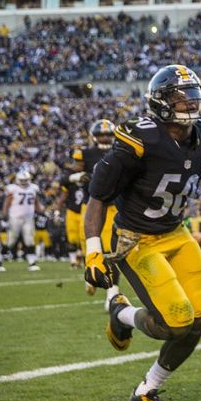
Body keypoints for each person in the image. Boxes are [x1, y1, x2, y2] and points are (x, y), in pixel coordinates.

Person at [82, 64, 201, 401]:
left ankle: (147, 391)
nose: (190, 104)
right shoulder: (139, 139)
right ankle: (122, 314)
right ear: (161, 103)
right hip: (137, 239)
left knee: (200, 320)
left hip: (176, 233)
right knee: (175, 322)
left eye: (193, 96)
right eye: (181, 98)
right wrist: (93, 253)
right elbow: (98, 196)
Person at [62, 119, 120, 301]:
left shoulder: (121, 151)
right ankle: (92, 274)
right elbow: (65, 179)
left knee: (112, 248)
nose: (104, 137)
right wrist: (78, 176)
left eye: (108, 134)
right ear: (94, 136)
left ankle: (112, 290)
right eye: (101, 134)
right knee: (89, 245)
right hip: (91, 206)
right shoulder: (85, 154)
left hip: (113, 206)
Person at [3, 169, 42, 271]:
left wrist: (40, 211)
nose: (24, 182)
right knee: (11, 240)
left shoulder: (33, 188)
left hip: (28, 218)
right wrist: (4, 215)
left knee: (29, 240)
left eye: (26, 180)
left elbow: (36, 201)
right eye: (22, 180)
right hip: (15, 218)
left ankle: (32, 263)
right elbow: (7, 202)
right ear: (17, 180)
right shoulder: (13, 188)